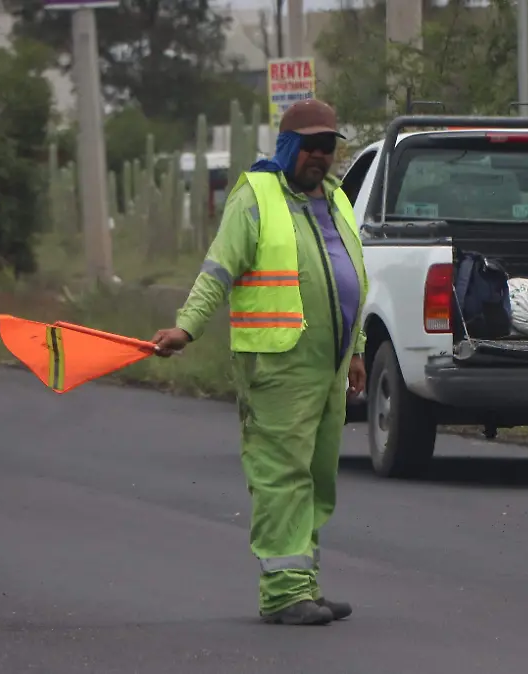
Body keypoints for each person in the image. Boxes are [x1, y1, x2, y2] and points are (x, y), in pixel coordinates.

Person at [149, 98, 369, 626]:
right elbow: (218, 271)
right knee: (282, 476)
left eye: (328, 147)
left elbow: (353, 276)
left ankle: (305, 584)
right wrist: (186, 327)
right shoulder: (256, 195)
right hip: (278, 365)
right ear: (289, 147)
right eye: (310, 146)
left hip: (331, 366)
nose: (319, 156)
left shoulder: (336, 198)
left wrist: (357, 351)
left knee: (317, 477)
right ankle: (283, 593)